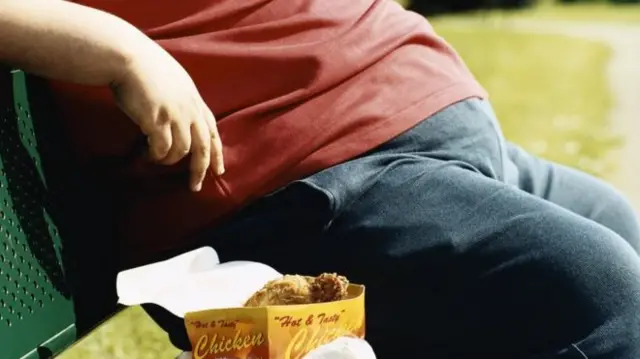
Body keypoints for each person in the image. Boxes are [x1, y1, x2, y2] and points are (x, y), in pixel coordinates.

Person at [2, 0, 639, 358]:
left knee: (620, 232)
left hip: (418, 126)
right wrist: (122, 48)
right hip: (305, 184)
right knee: (600, 295)